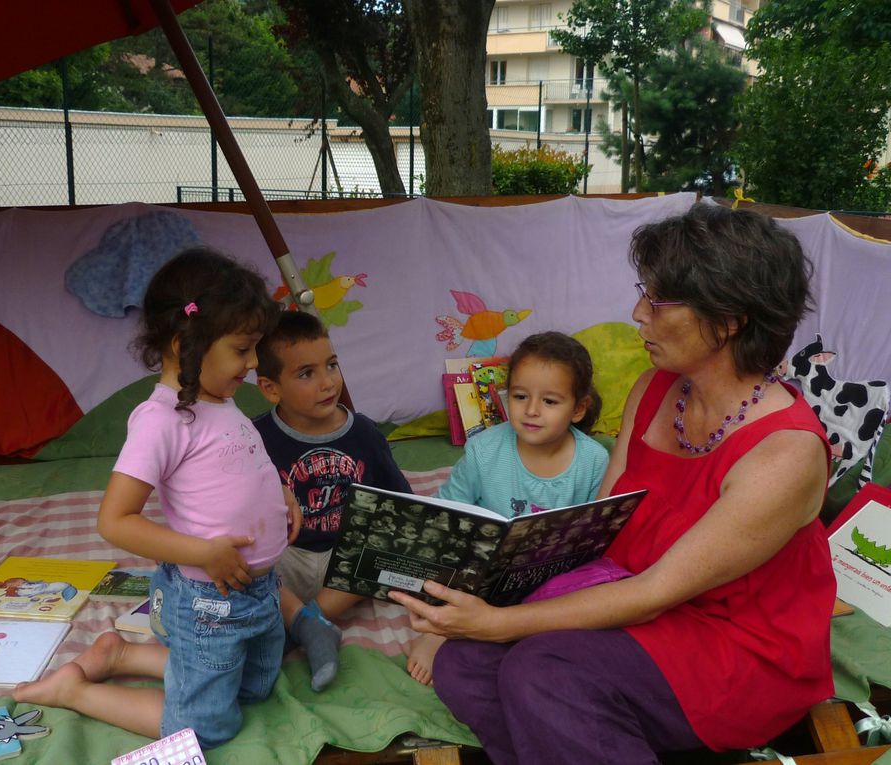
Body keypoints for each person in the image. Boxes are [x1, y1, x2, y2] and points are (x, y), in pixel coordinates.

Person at [390, 204, 837, 764]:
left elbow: (654, 594)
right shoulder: (654, 389)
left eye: (659, 301)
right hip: (633, 599)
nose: (637, 313)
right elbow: (598, 530)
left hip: (737, 649)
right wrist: (485, 585)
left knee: (542, 671)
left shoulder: (785, 454)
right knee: (463, 661)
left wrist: (500, 621)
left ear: (729, 319)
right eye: (643, 292)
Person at [14, 247, 301, 749]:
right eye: (242, 349)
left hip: (259, 593)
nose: (254, 363)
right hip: (209, 599)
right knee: (208, 726)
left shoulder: (221, 400)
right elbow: (115, 520)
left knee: (255, 687)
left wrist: (280, 496)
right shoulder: (161, 420)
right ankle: (76, 691)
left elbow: (233, 472)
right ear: (183, 344)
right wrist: (203, 553)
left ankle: (123, 656)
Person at [406, 331, 609, 685]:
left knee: (587, 598)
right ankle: (439, 632)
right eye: (519, 396)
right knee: (448, 570)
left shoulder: (593, 460)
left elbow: (593, 532)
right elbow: (446, 510)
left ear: (578, 409)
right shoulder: (484, 449)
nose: (531, 410)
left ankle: (524, 633)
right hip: (484, 571)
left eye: (549, 401)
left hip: (549, 575)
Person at [253, 310, 413, 691]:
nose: (328, 382)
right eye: (306, 373)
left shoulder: (364, 433)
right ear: (271, 388)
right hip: (285, 561)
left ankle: (311, 623)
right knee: (240, 561)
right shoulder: (252, 438)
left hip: (344, 567)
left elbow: (401, 506)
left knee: (389, 548)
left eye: (332, 365)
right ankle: (304, 623)